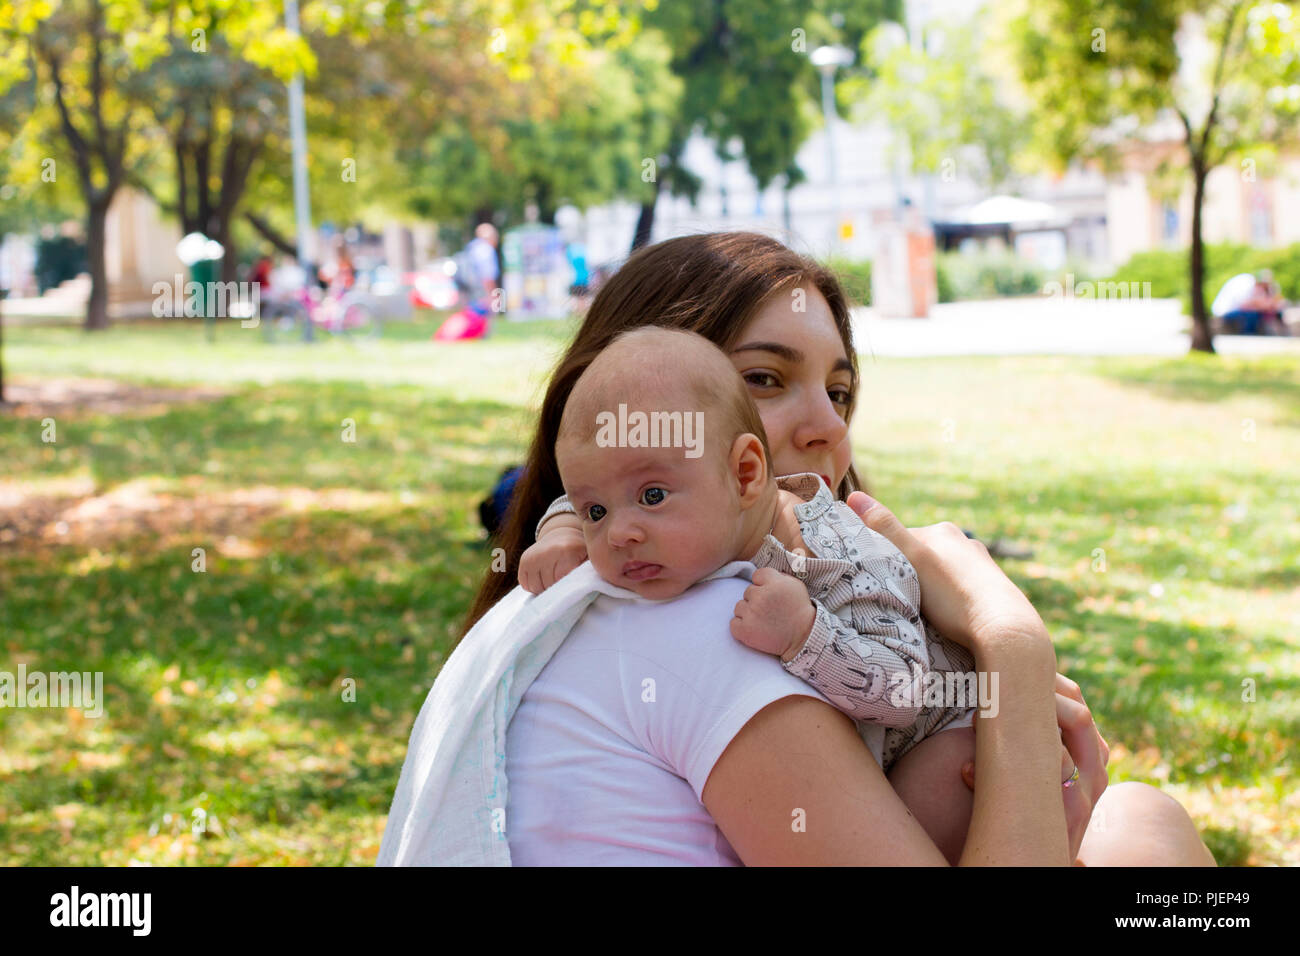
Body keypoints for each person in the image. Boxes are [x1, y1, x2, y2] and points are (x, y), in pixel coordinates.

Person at [461, 231, 1215, 865]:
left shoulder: (617, 591)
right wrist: (1009, 640)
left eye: (841, 391)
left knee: (1142, 831)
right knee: (1141, 831)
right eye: (764, 377)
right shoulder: (695, 621)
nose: (828, 427)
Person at [547, 325, 1028, 863]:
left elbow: (904, 691)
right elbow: (598, 486)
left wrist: (806, 634)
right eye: (596, 512)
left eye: (652, 496)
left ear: (746, 473)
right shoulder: (677, 509)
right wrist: (560, 530)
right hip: (870, 754)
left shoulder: (836, 554)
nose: (618, 534)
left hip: (947, 731)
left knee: (930, 789)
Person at [1212, 269, 1285, 335]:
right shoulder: (1248, 283)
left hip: (1233, 310)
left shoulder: (1251, 283)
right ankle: (1248, 334)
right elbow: (1244, 305)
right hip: (1226, 311)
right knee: (1252, 314)